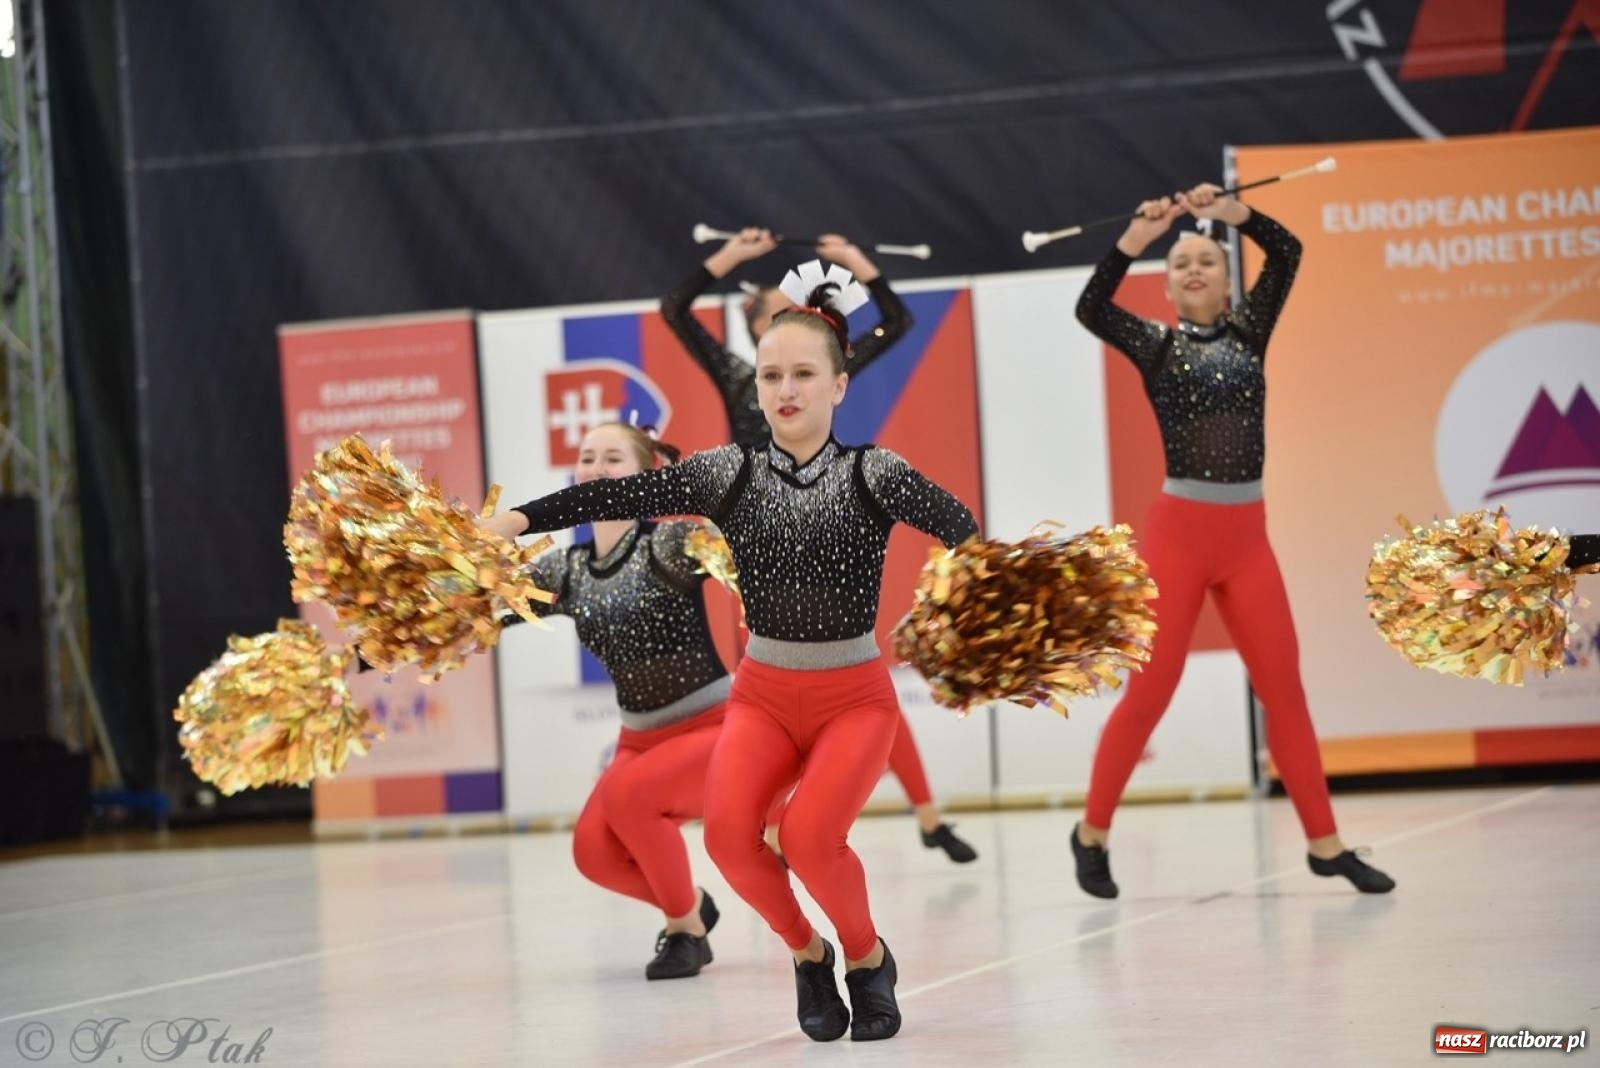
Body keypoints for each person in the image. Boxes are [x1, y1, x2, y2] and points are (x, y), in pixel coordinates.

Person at [487, 267, 980, 1042]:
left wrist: (977, 606)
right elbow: (609, 498)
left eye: (804, 375)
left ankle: (866, 958)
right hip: (762, 697)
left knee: (814, 837)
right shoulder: (729, 473)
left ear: (839, 387)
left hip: (853, 696)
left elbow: (965, 533)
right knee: (726, 839)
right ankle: (807, 953)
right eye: (773, 375)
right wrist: (514, 521)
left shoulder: (874, 472)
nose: (786, 389)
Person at [1070, 183, 1396, 898]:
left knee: (1286, 692)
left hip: (1248, 540)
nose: (1191, 269)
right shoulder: (1155, 346)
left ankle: (1325, 844)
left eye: (1207, 261)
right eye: (1180, 262)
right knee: (1151, 695)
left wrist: (1229, 214)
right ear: (1169, 284)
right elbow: (1091, 307)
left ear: (1226, 282)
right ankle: (1091, 831)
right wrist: (1134, 237)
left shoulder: (1252, 331)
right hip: (1178, 540)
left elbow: (1288, 251)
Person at [660, 228, 977, 865]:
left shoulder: (823, 365)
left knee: (859, 691)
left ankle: (927, 814)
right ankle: (780, 822)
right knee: (771, 687)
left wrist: (857, 262)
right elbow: (675, 309)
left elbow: (898, 320)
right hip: (757, 541)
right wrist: (732, 257)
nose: (792, 317)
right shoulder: (735, 375)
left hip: (828, 524)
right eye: (774, 311)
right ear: (753, 326)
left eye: (797, 309)